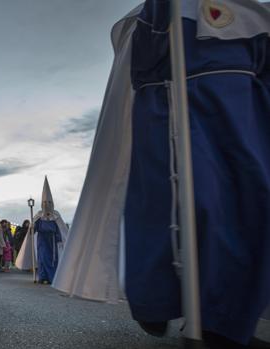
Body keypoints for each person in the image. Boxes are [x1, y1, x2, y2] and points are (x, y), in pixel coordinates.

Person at [124, 1, 270, 347]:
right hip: (185, 113)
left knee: (253, 208)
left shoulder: (256, 14)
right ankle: (166, 303)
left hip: (243, 118)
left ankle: (226, 321)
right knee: (198, 207)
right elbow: (143, 63)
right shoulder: (167, 10)